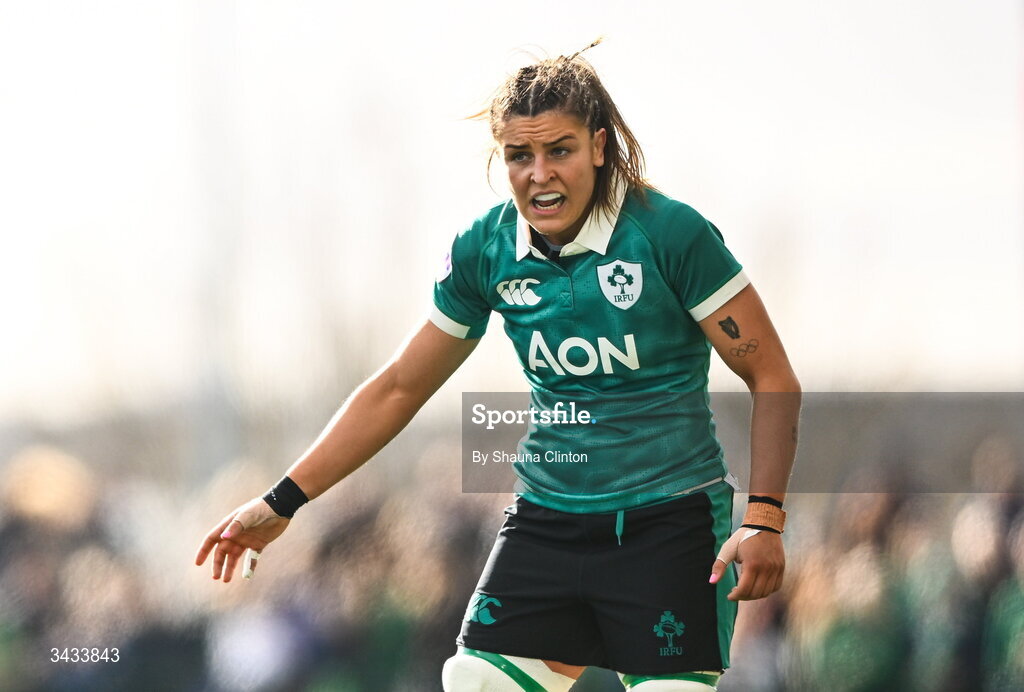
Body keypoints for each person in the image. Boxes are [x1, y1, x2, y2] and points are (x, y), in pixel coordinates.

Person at [195, 42, 801, 692]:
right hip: (549, 519)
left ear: (599, 146)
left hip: (669, 524)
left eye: (559, 150)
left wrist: (764, 517)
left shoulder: (670, 235)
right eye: (519, 156)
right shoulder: (486, 251)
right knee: (476, 682)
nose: (539, 174)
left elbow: (773, 378)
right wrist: (284, 500)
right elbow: (400, 387)